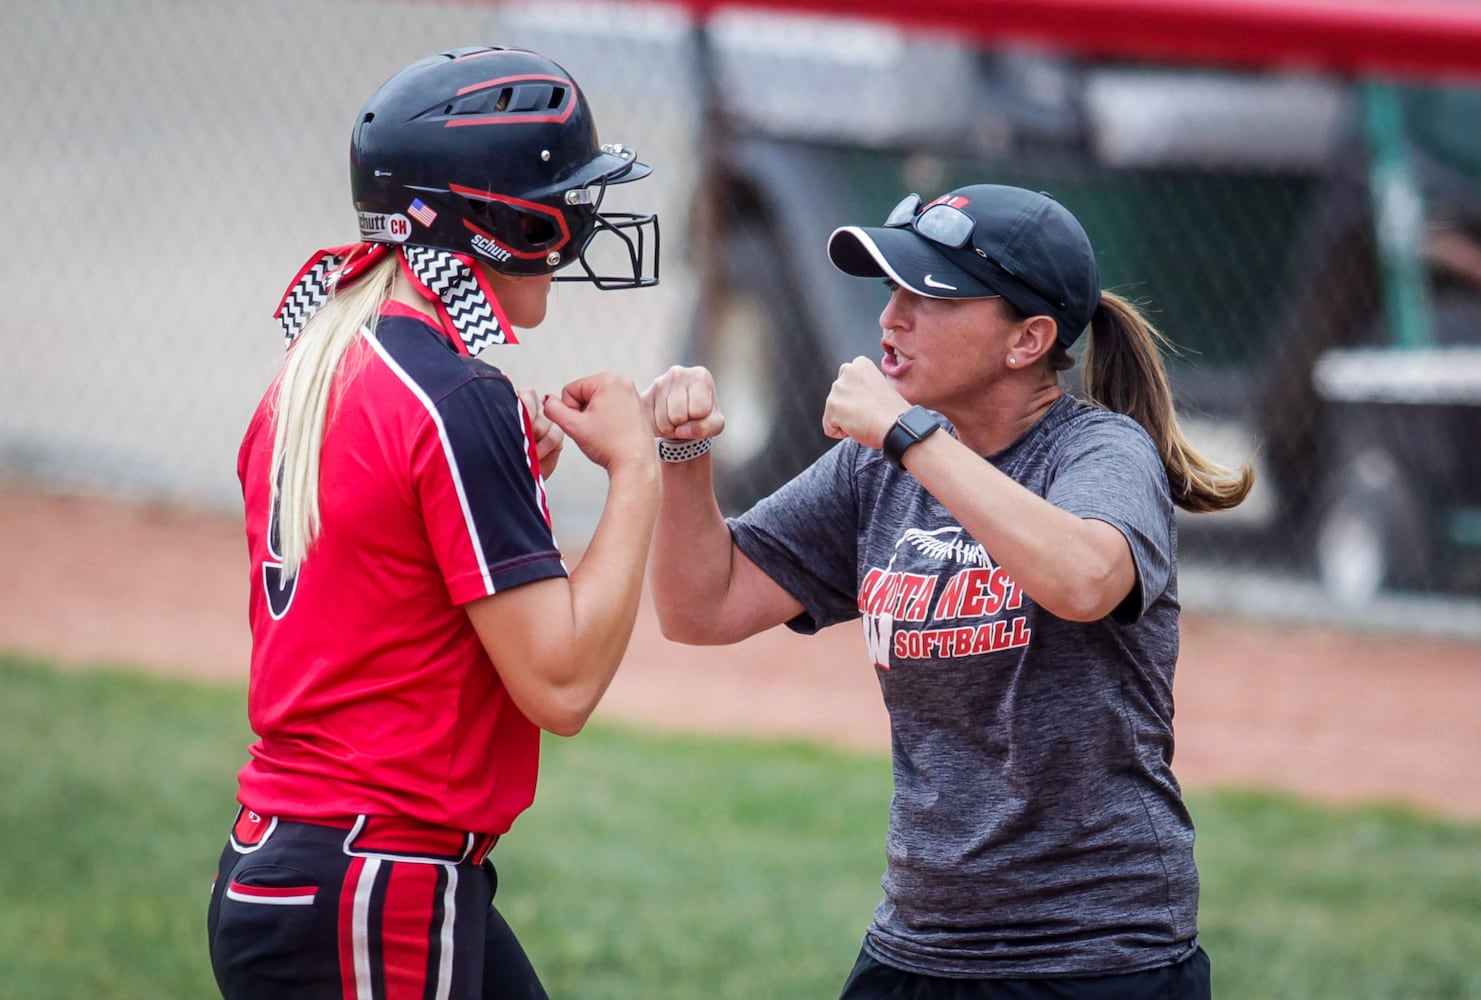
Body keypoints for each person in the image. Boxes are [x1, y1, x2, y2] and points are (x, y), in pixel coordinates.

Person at [643, 183, 1253, 998]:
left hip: (1096, 954)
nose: (892, 317)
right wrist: (681, 459)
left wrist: (904, 433)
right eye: (891, 291)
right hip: (919, 945)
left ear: (1027, 339)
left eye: (929, 296)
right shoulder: (876, 467)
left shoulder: (1100, 453)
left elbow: (1082, 579)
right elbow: (699, 608)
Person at [207, 46, 661, 1000]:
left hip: (315, 865)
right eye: (568, 199)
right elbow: (562, 683)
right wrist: (636, 471)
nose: (584, 221)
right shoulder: (456, 395)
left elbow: (390, 573)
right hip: (374, 882)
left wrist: (502, 482)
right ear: (500, 221)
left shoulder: (322, 364)